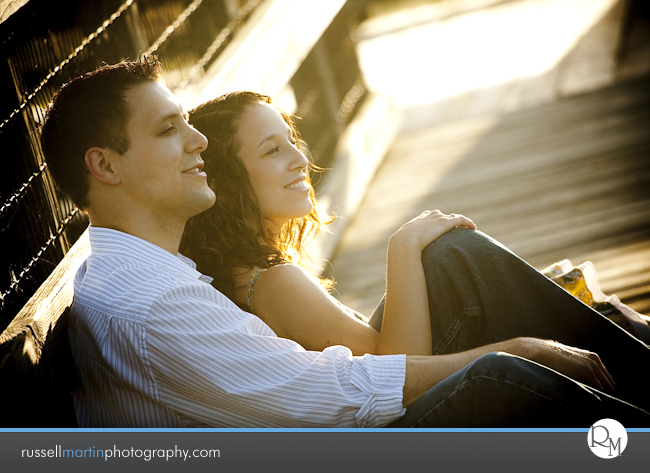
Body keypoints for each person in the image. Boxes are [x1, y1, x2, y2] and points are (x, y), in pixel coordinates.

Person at [40, 57, 649, 428]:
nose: (197, 142)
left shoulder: (141, 270)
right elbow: (335, 396)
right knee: (500, 375)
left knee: (453, 263)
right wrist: (525, 349)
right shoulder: (150, 302)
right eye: (170, 130)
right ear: (106, 166)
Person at [181, 91, 650, 425]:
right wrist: (402, 247)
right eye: (271, 150)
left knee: (456, 260)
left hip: (397, 399)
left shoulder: (260, 277)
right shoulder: (272, 283)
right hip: (401, 421)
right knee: (450, 255)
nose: (299, 158)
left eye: (290, 139)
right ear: (229, 185)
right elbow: (397, 373)